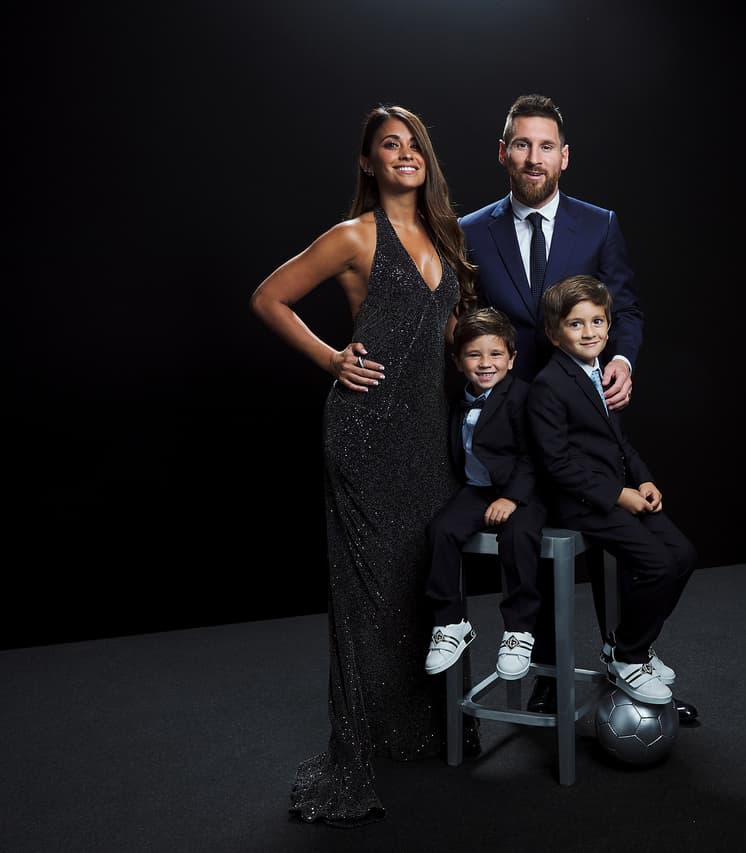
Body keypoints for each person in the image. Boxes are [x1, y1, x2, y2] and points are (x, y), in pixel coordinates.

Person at [249, 104, 478, 826]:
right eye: (390, 145)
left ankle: (413, 725)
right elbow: (269, 297)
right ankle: (355, 745)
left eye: (414, 145)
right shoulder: (355, 236)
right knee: (363, 593)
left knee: (422, 577)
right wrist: (331, 358)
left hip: (426, 434)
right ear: (368, 162)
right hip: (364, 432)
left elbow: (449, 342)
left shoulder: (446, 233)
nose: (405, 154)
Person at [460, 94, 696, 721]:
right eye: (521, 144)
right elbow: (464, 327)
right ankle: (548, 676)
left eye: (545, 146)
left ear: (564, 157)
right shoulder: (471, 231)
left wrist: (621, 361)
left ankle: (627, 655)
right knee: (538, 538)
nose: (533, 157)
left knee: (621, 546)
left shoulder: (600, 224)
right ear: (503, 153)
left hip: (587, 416)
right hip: (516, 427)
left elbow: (629, 311)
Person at [527, 274, 696, 705]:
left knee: (682, 555)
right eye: (576, 324)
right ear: (553, 333)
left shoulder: (596, 372)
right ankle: (628, 656)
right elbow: (556, 464)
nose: (590, 332)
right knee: (656, 564)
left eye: (598, 322)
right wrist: (618, 495)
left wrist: (643, 478)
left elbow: (618, 442)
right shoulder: (550, 384)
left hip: (619, 488)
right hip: (581, 503)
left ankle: (626, 644)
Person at [423, 308, 546, 680]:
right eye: (474, 355)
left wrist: (512, 498)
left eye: (495, 354)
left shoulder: (524, 396)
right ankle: (450, 622)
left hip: (524, 491)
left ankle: (519, 630)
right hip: (479, 489)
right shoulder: (457, 399)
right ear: (459, 361)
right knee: (440, 531)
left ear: (512, 359)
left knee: (518, 535)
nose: (485, 363)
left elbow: (534, 456)